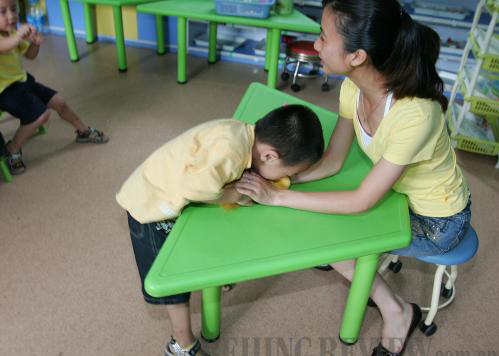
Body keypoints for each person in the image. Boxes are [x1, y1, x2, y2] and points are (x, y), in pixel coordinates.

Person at [235, 1, 471, 355]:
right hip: (400, 196)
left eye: (322, 37)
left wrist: (277, 196)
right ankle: (376, 287)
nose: (315, 45)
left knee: (330, 238)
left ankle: (398, 311)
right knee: (322, 220)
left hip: (440, 220)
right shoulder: (353, 89)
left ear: (357, 56)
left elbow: (361, 200)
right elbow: (333, 162)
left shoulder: (414, 115)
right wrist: (283, 180)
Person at [116, 104, 324, 356]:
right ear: (269, 156)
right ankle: (181, 344)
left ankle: (212, 278)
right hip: (150, 206)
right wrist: (234, 195)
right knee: (173, 280)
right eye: (288, 171)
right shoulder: (231, 151)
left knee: (205, 237)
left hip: (165, 189)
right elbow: (194, 188)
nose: (284, 176)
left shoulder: (243, 135)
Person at [0, 0, 108, 175]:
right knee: (41, 115)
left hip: (21, 81)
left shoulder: (11, 32)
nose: (11, 16)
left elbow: (30, 56)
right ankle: (12, 149)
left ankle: (83, 132)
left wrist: (35, 42)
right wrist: (18, 35)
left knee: (60, 102)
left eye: (13, 9)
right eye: (2, 12)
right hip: (4, 91)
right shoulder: (11, 36)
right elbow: (5, 46)